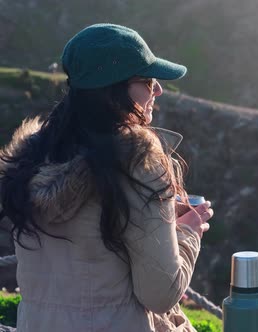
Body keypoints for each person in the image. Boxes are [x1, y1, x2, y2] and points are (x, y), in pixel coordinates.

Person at [0, 23, 213, 331]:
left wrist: (161, 217)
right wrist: (187, 232)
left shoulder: (29, 161)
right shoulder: (137, 163)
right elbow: (160, 294)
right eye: (148, 80)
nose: (158, 90)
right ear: (115, 90)